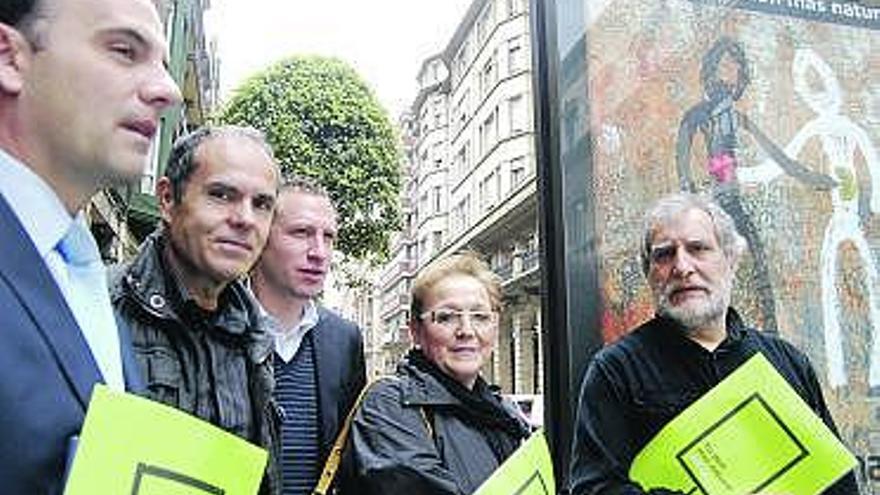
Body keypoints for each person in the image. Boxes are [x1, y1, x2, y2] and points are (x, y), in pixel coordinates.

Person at [0, 0, 180, 490]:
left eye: (163, 64)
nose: (167, 89)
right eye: (124, 51)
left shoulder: (81, 266)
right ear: (10, 58)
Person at [568, 192, 859, 494]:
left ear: (730, 260)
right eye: (664, 254)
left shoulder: (788, 364)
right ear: (649, 274)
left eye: (698, 248)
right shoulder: (616, 371)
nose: (682, 267)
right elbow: (594, 487)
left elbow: (838, 483)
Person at [110, 125, 281, 494]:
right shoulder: (99, 308)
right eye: (221, 195)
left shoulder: (257, 338)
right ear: (168, 199)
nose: (245, 219)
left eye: (262, 204)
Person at [347, 252, 531, 494]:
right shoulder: (390, 404)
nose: (466, 330)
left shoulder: (504, 413)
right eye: (446, 317)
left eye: (480, 317)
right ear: (415, 331)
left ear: (495, 327)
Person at [250, 176, 366, 495]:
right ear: (261, 236)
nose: (319, 252)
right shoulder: (217, 325)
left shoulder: (345, 339)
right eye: (301, 233)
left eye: (328, 237)